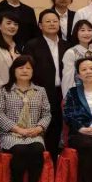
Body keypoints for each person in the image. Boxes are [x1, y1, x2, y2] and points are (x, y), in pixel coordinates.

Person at [0, 55, 50, 182]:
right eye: (21, 67)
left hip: (34, 133)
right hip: (11, 134)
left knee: (36, 150)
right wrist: (18, 129)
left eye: (28, 68)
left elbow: (47, 114)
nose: (25, 71)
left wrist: (39, 128)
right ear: (13, 70)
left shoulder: (40, 91)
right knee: (20, 150)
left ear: (33, 71)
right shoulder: (3, 90)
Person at [23, 9, 68, 156]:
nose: (52, 24)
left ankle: (53, 161)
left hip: (61, 92)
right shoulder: (32, 45)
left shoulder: (66, 45)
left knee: (57, 128)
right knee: (41, 128)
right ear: (40, 25)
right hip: (40, 92)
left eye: (55, 21)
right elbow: (28, 70)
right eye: (48, 21)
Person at [62, 19, 92, 97]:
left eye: (89, 30)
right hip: (78, 94)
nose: (87, 33)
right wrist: (69, 98)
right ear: (76, 33)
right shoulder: (71, 52)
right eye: (82, 30)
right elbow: (67, 79)